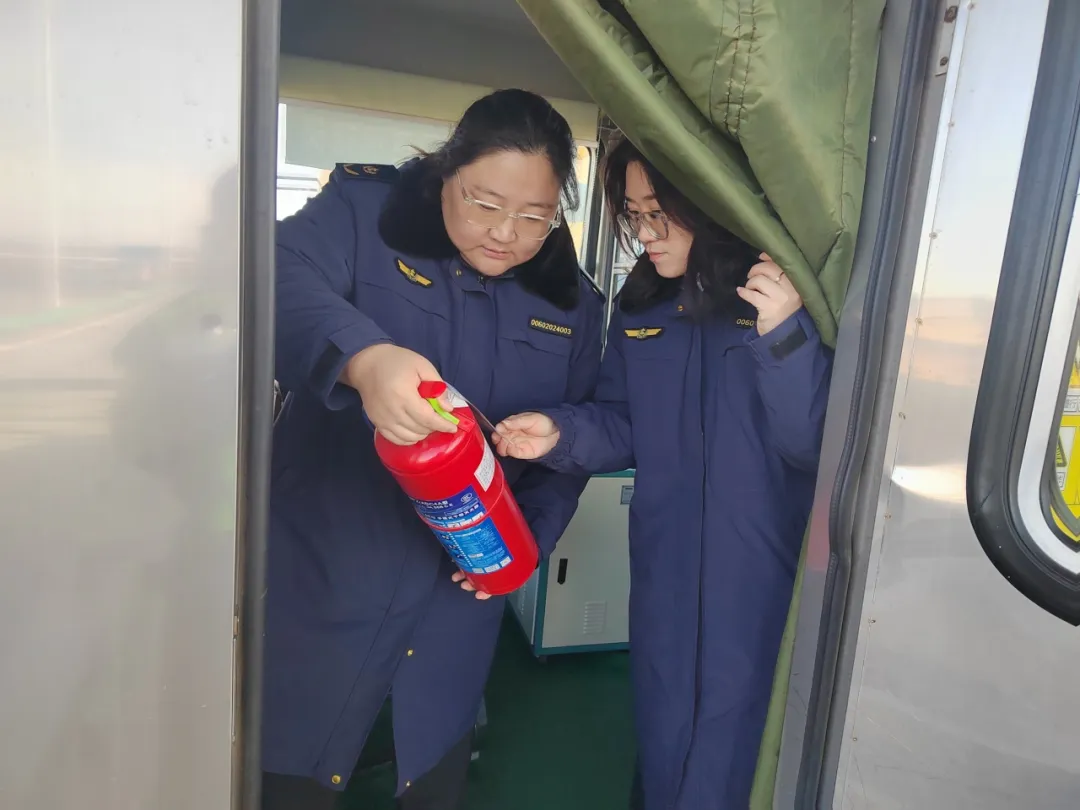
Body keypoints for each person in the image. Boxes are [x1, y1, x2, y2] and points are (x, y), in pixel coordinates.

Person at [261, 89, 604, 810]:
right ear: (446, 171)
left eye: (535, 216)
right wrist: (363, 359)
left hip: (457, 598)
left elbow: (564, 453)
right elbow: (273, 273)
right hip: (329, 570)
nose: (506, 233)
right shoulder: (364, 215)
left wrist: (523, 545)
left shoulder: (571, 303)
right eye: (484, 203)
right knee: (292, 770)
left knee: (431, 771)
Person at [493, 137, 832, 810]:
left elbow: (817, 446)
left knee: (744, 733)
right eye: (633, 214)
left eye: (659, 212)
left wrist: (785, 335)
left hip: (762, 572)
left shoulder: (785, 299)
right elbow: (625, 421)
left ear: (712, 204)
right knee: (665, 721)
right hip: (665, 568)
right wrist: (561, 432)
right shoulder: (642, 305)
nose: (645, 233)